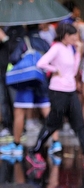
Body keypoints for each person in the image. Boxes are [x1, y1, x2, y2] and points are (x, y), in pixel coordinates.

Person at [27, 23, 84, 169]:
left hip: (70, 90)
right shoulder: (57, 47)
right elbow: (41, 62)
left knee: (79, 123)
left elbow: (73, 69)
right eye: (73, 35)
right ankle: (34, 151)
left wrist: (78, 52)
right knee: (53, 123)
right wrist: (54, 69)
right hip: (58, 91)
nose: (76, 38)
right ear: (65, 36)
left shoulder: (71, 48)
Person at [0, 24, 59, 157]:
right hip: (42, 81)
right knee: (47, 111)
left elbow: (14, 58)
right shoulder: (44, 42)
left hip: (26, 82)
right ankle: (56, 142)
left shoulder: (24, 41)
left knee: (19, 112)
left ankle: (16, 144)